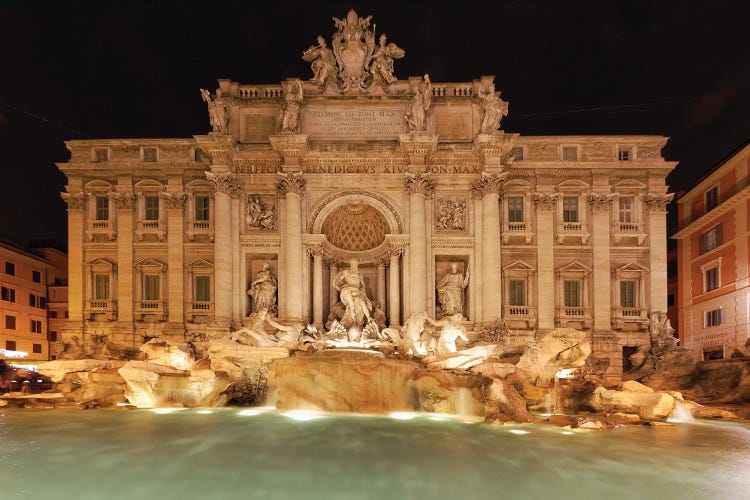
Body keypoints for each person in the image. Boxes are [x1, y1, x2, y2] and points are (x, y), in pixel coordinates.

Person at [333, 259, 372, 327]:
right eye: (353, 264)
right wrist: (338, 286)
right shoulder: (346, 272)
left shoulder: (359, 275)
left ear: (357, 265)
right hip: (347, 290)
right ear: (351, 264)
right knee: (352, 304)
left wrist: (364, 295)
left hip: (356, 292)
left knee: (361, 302)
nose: (354, 265)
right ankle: (353, 320)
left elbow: (362, 286)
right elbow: (338, 280)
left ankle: (369, 318)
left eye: (356, 264)